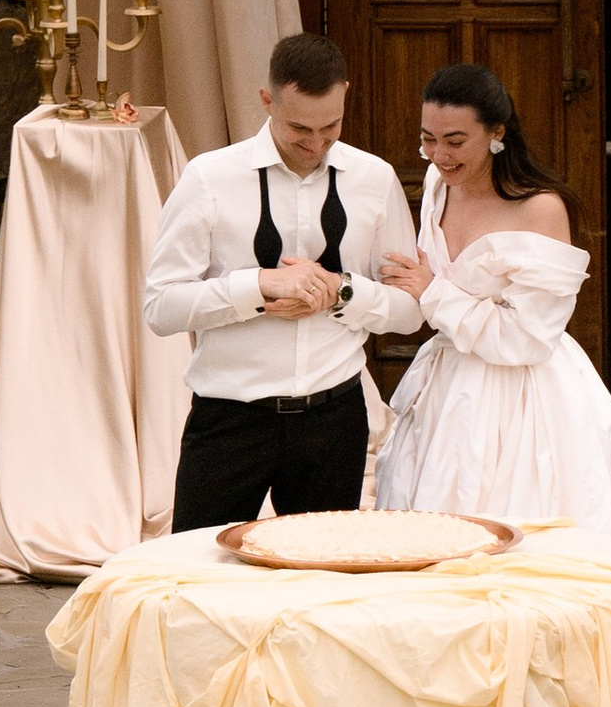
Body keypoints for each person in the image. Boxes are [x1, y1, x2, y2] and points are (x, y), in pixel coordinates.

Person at [375, 66, 611, 664]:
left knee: (527, 545)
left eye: (455, 141)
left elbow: (527, 337)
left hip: (525, 394)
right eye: (428, 139)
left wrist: (433, 291)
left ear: (496, 133)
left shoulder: (542, 209)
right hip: (448, 391)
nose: (438, 156)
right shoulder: (439, 188)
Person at [142, 31, 424, 534]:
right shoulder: (209, 178)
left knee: (318, 586)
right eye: (299, 127)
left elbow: (409, 313)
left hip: (333, 420)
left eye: (330, 126)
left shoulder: (374, 179)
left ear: (346, 95)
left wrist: (339, 292)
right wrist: (258, 288)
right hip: (228, 420)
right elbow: (160, 307)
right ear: (267, 101)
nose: (315, 144)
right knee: (199, 578)